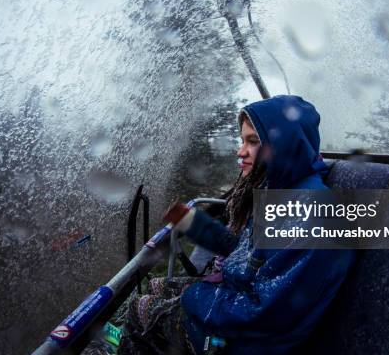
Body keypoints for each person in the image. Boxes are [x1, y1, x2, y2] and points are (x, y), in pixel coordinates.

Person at [117, 95, 355, 354]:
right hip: (239, 300)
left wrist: (194, 295)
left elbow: (260, 314)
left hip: (248, 343)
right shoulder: (281, 192)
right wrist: (192, 223)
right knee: (158, 286)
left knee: (138, 310)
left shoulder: (310, 216)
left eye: (253, 141)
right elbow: (243, 253)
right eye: (242, 140)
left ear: (284, 145)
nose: (241, 151)